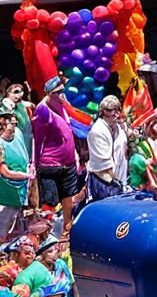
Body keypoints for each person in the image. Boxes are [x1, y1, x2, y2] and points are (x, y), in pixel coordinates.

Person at [31, 77, 77, 233]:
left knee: (68, 197)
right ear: (49, 94)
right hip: (50, 164)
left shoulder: (62, 106)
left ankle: (66, 231)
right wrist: (36, 163)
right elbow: (38, 139)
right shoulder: (42, 110)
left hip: (68, 162)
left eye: (62, 91)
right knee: (49, 202)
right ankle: (45, 235)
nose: (61, 95)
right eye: (57, 93)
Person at [85, 95, 128, 201]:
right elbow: (104, 167)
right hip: (103, 183)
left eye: (118, 110)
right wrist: (118, 185)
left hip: (120, 183)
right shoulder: (97, 131)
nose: (116, 114)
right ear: (103, 112)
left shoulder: (119, 128)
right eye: (111, 110)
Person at [0, 106, 32, 240]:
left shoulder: (18, 132)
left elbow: (25, 150)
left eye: (14, 121)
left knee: (21, 217)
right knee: (5, 221)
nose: (14, 123)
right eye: (10, 121)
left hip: (24, 184)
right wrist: (26, 175)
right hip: (8, 189)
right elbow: (5, 172)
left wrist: (30, 166)